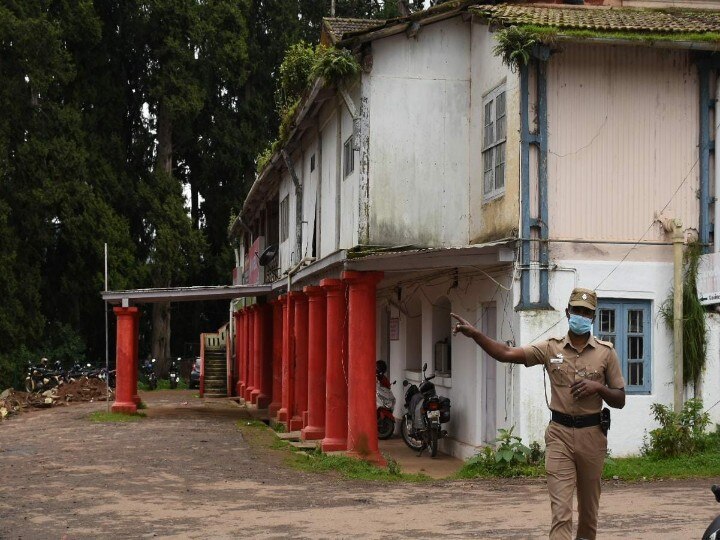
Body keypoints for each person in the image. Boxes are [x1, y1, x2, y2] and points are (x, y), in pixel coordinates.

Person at [451, 287, 625, 540]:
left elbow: (620, 399)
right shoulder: (550, 348)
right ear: (567, 312)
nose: (581, 315)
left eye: (586, 312)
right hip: (559, 437)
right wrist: (476, 334)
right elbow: (507, 354)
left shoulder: (606, 353)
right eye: (576, 310)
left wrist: (598, 387)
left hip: (592, 436)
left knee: (588, 514)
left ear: (593, 317)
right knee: (562, 513)